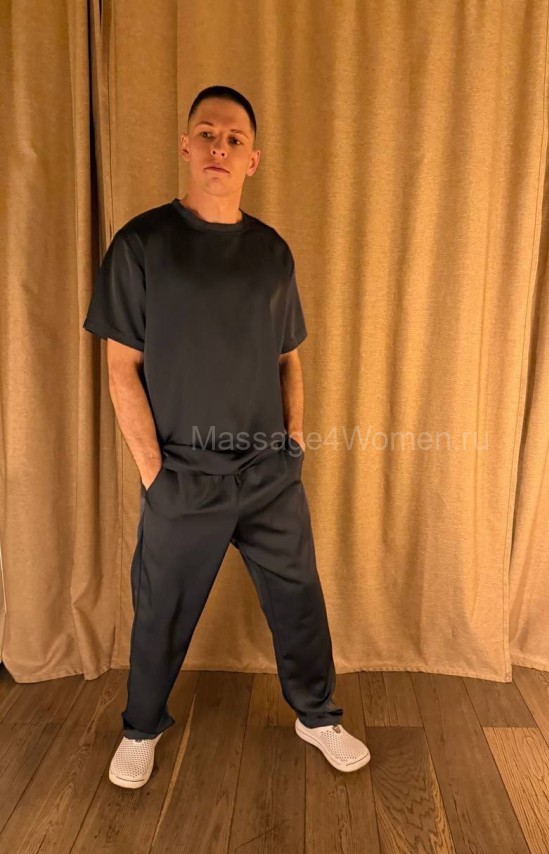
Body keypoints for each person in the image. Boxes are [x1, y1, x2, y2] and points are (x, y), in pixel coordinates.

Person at [83, 85, 370, 789]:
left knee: (299, 600)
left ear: (252, 160)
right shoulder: (143, 244)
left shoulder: (271, 252)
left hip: (269, 475)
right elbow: (120, 367)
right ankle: (141, 727)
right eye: (207, 134)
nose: (220, 146)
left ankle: (316, 715)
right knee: (161, 609)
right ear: (186, 147)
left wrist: (292, 443)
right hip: (183, 475)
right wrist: (154, 472)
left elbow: (288, 358)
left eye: (234, 138)